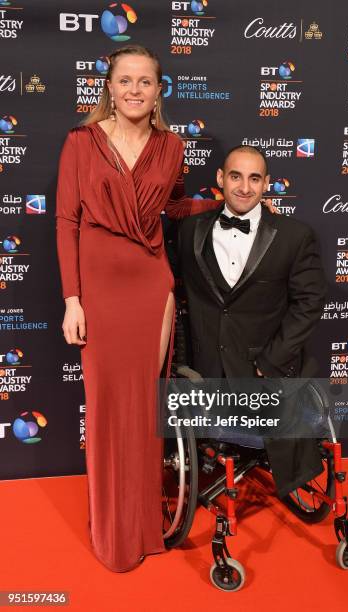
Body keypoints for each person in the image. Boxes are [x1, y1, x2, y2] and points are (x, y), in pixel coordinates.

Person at [55, 44, 228, 573]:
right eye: (124, 80)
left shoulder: (171, 146)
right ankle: (114, 533)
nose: (134, 89)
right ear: (108, 87)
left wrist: (225, 204)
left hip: (153, 286)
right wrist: (72, 301)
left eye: (145, 81)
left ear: (159, 91)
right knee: (109, 413)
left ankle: (144, 527)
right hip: (101, 296)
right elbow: (66, 221)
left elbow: (172, 207)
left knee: (145, 414)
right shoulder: (81, 143)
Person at [178, 145, 327, 497]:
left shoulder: (294, 236)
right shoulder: (188, 232)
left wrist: (272, 361)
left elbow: (309, 303)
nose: (244, 187)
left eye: (254, 178)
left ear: (266, 184)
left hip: (266, 374)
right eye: (235, 176)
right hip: (207, 374)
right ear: (220, 179)